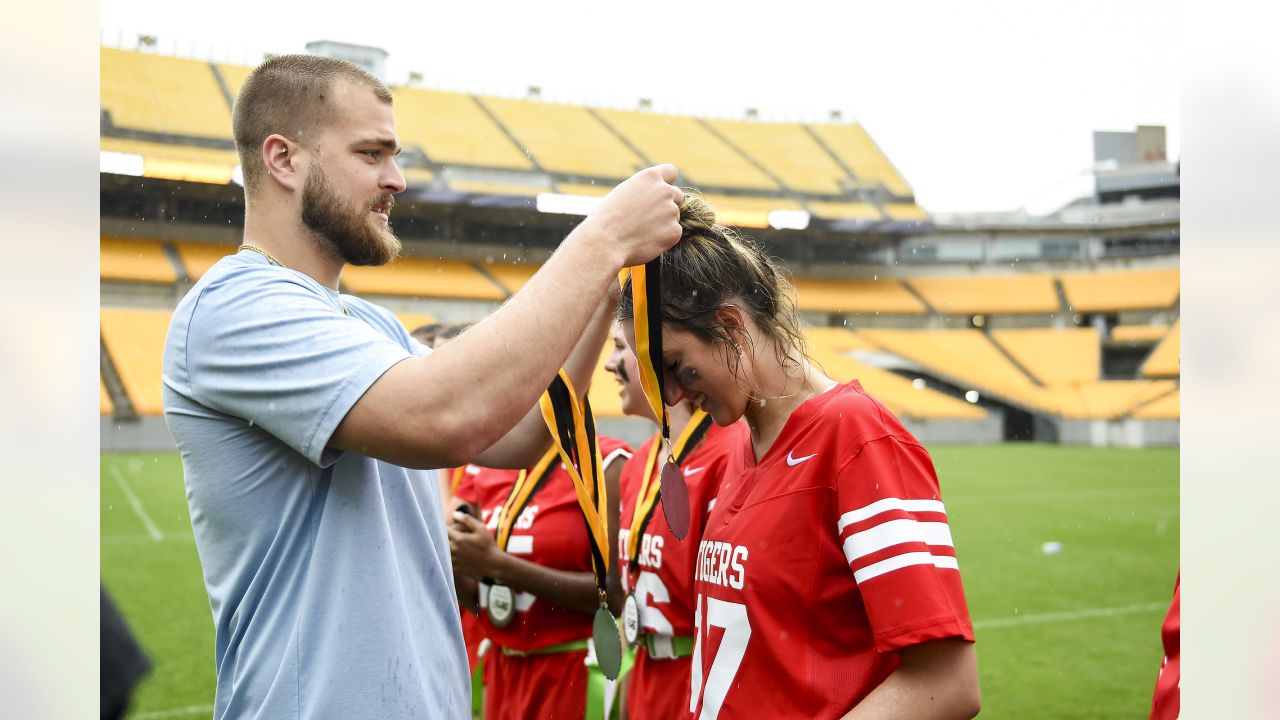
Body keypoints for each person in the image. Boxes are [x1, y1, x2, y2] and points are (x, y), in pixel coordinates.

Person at [162, 53, 683, 720]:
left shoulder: (369, 322)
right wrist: (601, 238)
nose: (397, 179)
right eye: (372, 153)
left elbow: (517, 432)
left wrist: (604, 282)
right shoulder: (236, 306)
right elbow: (449, 417)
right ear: (284, 160)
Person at [616, 195, 980, 720]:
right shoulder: (742, 444)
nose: (671, 396)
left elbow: (947, 684)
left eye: (676, 367)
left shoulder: (856, 437)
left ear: (731, 325)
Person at [603, 322, 746, 720]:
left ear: (656, 355)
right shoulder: (638, 464)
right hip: (648, 673)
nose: (609, 365)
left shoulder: (731, 454)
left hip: (702, 680)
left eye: (619, 348)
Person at [449, 431, 632, 719]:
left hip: (573, 670)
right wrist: (454, 556)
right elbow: (479, 596)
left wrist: (500, 566)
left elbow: (615, 595)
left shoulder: (606, 460)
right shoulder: (489, 463)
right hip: (501, 670)